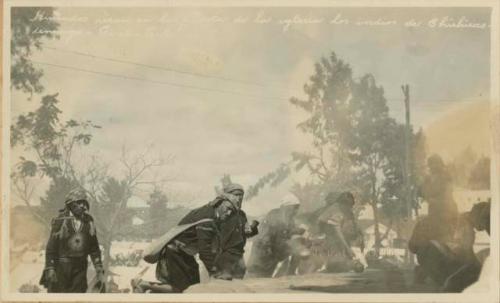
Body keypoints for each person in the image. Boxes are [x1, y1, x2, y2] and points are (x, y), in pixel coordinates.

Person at [133, 191, 239, 293]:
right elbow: (205, 250)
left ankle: (149, 291)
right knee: (184, 290)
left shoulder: (208, 211)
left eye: (232, 212)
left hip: (183, 253)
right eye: (227, 208)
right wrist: (215, 271)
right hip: (176, 253)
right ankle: (143, 284)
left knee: (193, 286)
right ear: (219, 203)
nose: (229, 213)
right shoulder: (207, 219)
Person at [39, 188, 104, 293]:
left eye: (84, 203)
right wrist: (50, 268)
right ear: (71, 204)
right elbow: (51, 248)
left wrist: (98, 266)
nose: (83, 206)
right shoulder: (60, 221)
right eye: (80, 203)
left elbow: (94, 247)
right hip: (61, 269)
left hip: (80, 270)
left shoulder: (89, 221)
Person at [246, 194, 305, 277]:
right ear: (287, 207)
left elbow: (288, 231)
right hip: (264, 253)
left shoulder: (288, 218)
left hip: (273, 253)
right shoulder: (274, 216)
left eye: (297, 208)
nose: (296, 211)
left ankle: (289, 273)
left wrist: (298, 231)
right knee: (256, 275)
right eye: (294, 208)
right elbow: (265, 237)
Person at [215, 183, 259, 280]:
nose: (239, 197)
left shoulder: (242, 214)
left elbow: (247, 233)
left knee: (239, 285)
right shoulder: (221, 211)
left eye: (241, 195)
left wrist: (254, 227)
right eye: (236, 194)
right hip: (224, 256)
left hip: (239, 256)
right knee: (222, 286)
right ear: (228, 195)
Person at [315, 191, 364, 273]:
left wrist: (360, 236)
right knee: (337, 263)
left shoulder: (347, 211)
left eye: (351, 206)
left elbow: (354, 225)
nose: (350, 208)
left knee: (344, 260)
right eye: (348, 205)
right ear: (342, 203)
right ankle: (329, 266)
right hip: (326, 237)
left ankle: (339, 264)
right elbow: (338, 233)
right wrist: (348, 249)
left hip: (338, 240)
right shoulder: (336, 210)